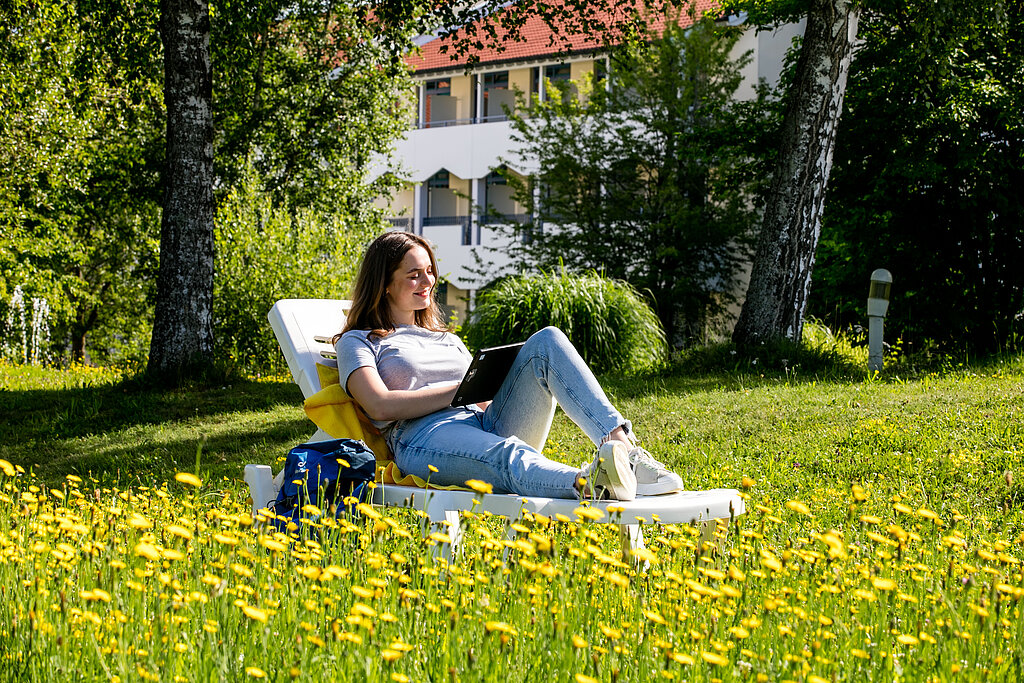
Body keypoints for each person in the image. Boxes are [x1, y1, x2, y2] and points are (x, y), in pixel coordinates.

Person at [334, 231, 683, 501]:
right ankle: (592, 483)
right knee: (507, 453)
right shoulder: (359, 341)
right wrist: (459, 392)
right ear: (384, 284)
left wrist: (495, 387)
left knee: (546, 340)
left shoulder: (445, 338)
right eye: (414, 275)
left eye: (429, 272)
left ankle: (626, 451)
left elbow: (483, 401)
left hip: (482, 422)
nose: (428, 283)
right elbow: (378, 404)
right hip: (422, 437)